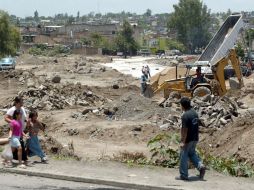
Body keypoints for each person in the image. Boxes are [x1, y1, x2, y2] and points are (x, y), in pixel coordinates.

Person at [176, 97, 206, 181]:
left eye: (180, 105)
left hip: (188, 139)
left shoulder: (185, 115)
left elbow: (184, 130)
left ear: (183, 105)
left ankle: (184, 175)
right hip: (195, 138)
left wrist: (182, 141)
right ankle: (201, 166)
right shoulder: (194, 113)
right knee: (192, 154)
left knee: (183, 155)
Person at [4, 96, 28, 163]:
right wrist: (13, 122)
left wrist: (27, 121)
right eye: (21, 102)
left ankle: (6, 160)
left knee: (14, 148)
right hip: (14, 129)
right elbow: (5, 118)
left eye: (22, 102)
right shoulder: (12, 109)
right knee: (20, 146)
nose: (22, 103)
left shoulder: (22, 109)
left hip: (20, 129)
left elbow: (24, 118)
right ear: (16, 103)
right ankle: (23, 161)